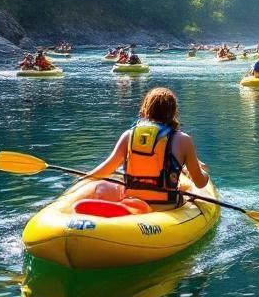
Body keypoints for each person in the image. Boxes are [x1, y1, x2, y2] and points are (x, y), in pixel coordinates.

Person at [73, 87, 210, 211]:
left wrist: (85, 177)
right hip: (165, 205)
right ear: (173, 112)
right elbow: (200, 183)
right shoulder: (183, 139)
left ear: (146, 110)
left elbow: (107, 168)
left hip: (134, 200)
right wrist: (204, 173)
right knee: (188, 192)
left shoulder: (129, 135)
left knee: (104, 186)